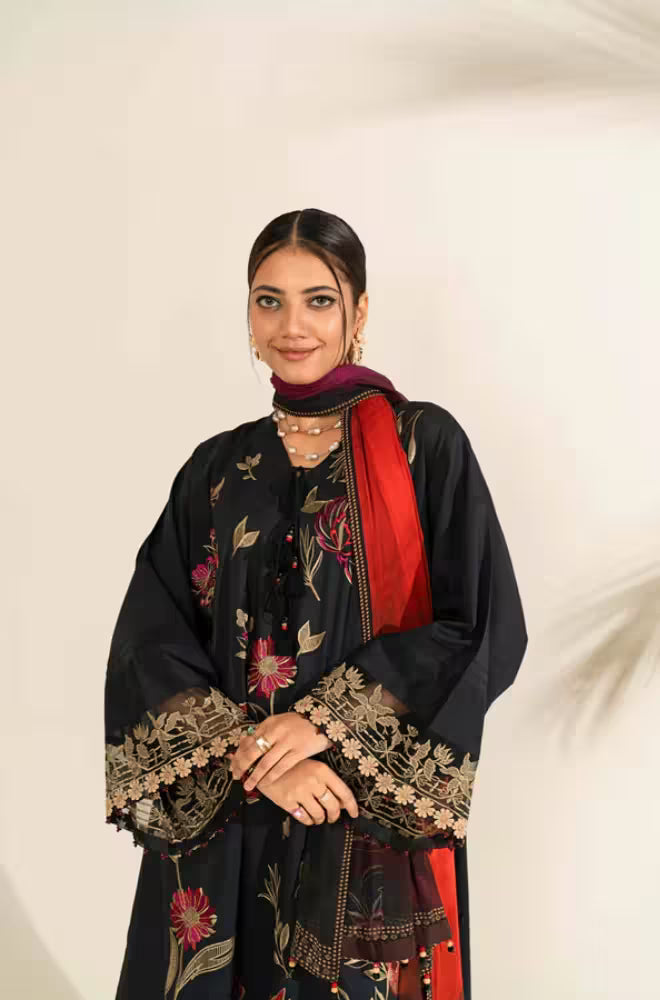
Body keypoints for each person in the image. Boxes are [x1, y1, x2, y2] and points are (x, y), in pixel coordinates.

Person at [104, 208, 528, 1000]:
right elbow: (148, 641)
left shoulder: (421, 446)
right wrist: (256, 755)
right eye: (269, 301)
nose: (291, 325)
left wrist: (324, 726)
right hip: (232, 810)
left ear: (359, 312)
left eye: (319, 300)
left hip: (354, 812)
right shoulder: (215, 469)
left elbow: (480, 627)